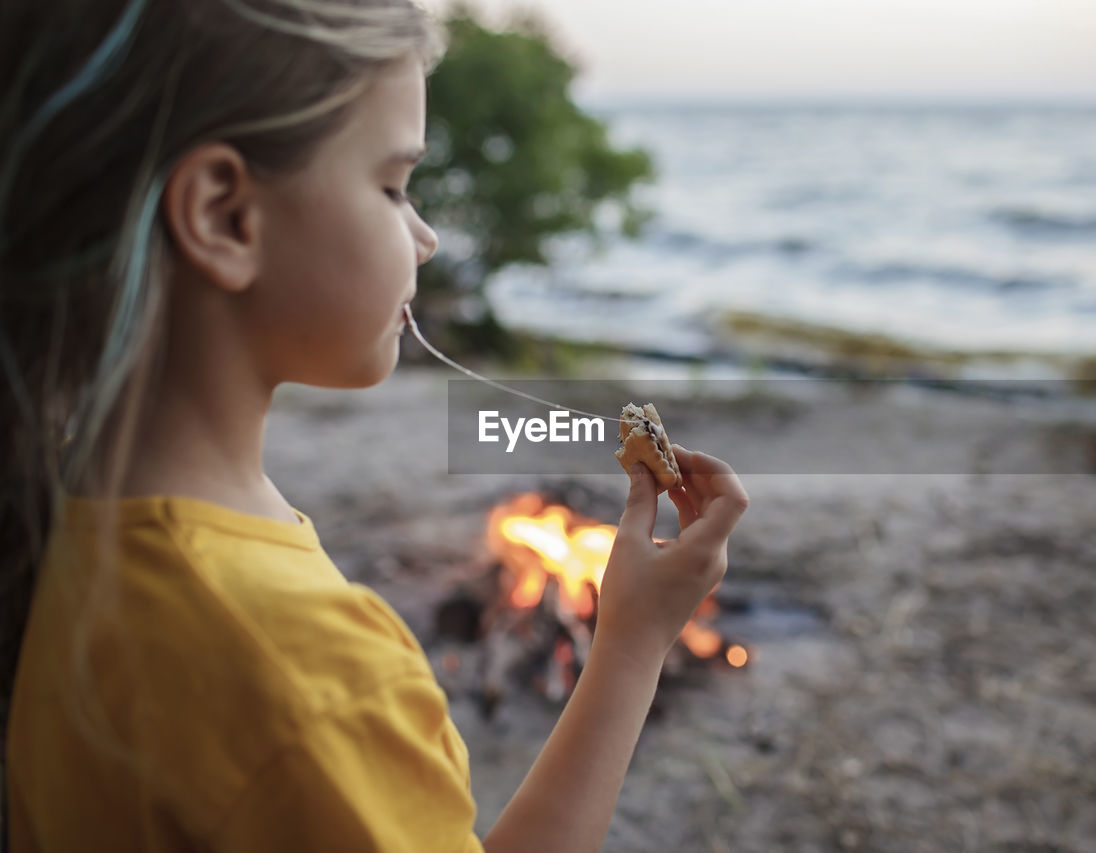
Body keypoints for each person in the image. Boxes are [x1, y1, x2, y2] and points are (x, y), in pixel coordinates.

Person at [0, 1, 749, 850]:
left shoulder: (61, 516)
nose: (425, 237)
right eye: (392, 186)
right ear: (223, 216)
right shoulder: (308, 673)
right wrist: (633, 643)